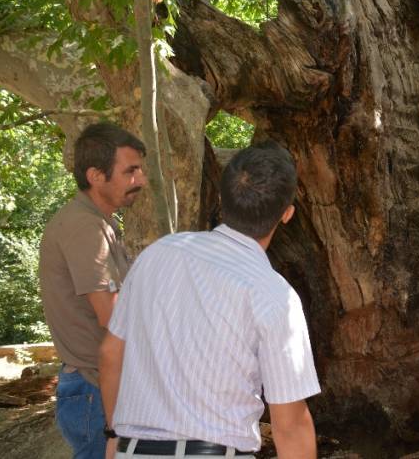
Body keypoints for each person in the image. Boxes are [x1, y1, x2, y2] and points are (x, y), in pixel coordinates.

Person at [99, 143, 321, 459]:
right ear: (287, 214)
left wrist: (113, 435)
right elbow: (290, 425)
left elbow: (110, 355)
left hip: (132, 450)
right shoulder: (274, 294)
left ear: (222, 199)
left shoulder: (158, 254)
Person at [39, 122, 147, 459]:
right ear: (96, 176)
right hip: (94, 390)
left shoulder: (100, 222)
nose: (141, 180)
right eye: (130, 171)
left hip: (99, 387)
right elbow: (113, 318)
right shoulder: (85, 227)